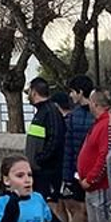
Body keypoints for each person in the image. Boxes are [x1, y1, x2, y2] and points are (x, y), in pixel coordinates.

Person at [75, 89, 111, 222]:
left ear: (95, 104)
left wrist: (91, 178)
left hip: (99, 187)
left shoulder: (106, 125)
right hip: (92, 186)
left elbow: (105, 156)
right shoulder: (99, 123)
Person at [23, 77, 67, 211]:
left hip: (47, 172)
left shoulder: (49, 112)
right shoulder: (42, 112)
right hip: (39, 171)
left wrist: (40, 159)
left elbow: (55, 139)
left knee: (49, 208)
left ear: (34, 92)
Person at [61, 75, 96, 222]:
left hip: (80, 171)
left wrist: (67, 177)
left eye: (72, 91)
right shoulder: (81, 116)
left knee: (80, 212)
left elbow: (68, 149)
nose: (71, 95)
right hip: (88, 172)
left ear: (80, 92)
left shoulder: (72, 117)